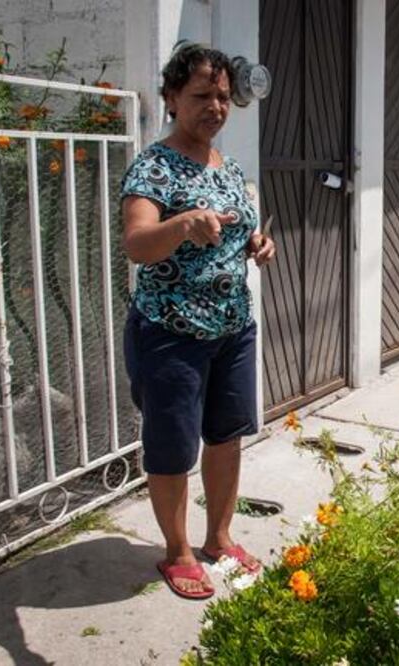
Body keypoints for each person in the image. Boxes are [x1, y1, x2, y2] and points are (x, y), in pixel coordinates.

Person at [120, 42, 275, 600]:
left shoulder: (227, 167)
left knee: (227, 436)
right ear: (170, 99)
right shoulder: (153, 166)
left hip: (232, 327)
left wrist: (257, 242)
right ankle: (179, 552)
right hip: (171, 332)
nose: (215, 107)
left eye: (223, 97)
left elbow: (238, 229)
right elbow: (137, 245)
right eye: (201, 95)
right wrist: (183, 224)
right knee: (172, 447)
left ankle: (220, 538)